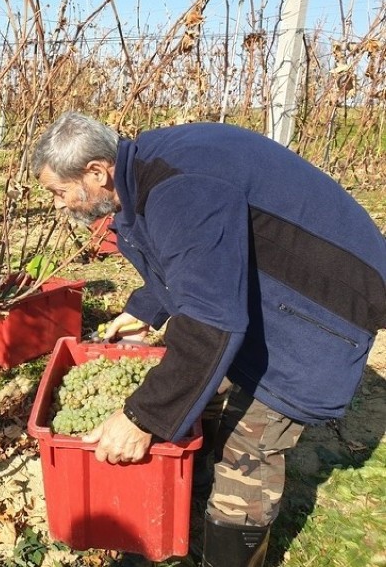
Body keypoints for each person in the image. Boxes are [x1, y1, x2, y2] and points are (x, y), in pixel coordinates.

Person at [32, 112, 386, 567]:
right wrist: (146, 309)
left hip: (326, 303)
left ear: (97, 172)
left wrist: (142, 417)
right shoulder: (145, 170)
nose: (58, 205)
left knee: (250, 448)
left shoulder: (180, 188)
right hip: (282, 285)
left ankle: (229, 544)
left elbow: (210, 319)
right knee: (203, 387)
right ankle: (188, 494)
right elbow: (190, 257)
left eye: (58, 193)